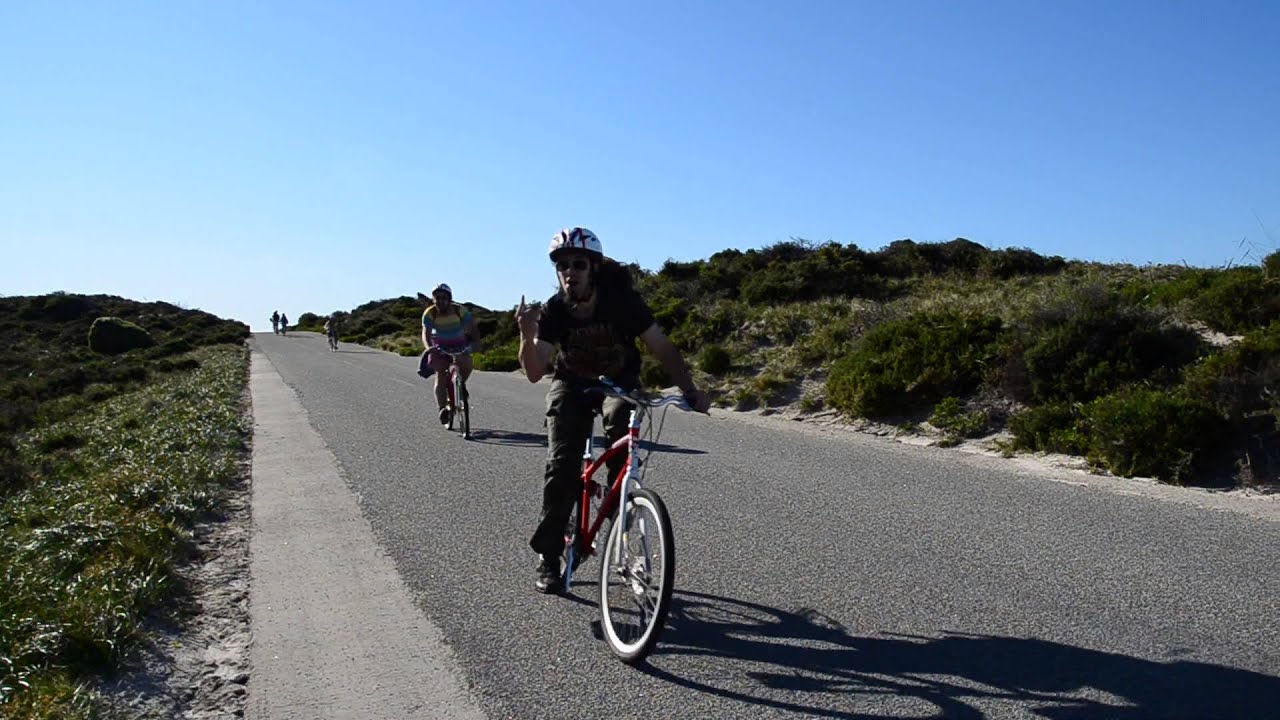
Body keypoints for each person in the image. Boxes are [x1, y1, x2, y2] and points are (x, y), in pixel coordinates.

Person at [515, 227, 711, 594]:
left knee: (623, 429)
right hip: (570, 386)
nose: (569, 272)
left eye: (577, 264)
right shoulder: (555, 310)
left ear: (593, 268)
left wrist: (690, 391)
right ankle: (549, 556)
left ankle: (623, 515)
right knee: (562, 467)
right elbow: (534, 372)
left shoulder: (622, 301)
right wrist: (527, 335)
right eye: (562, 266)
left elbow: (662, 347)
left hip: (619, 385)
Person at [419, 283, 481, 425]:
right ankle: (442, 410)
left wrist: (476, 343)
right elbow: (425, 333)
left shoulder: (460, 310)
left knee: (467, 364)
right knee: (441, 375)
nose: (440, 301)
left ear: (449, 299)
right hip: (439, 347)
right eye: (437, 298)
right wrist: (429, 348)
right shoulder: (430, 313)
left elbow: (472, 328)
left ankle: (460, 385)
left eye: (443, 298)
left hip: (459, 345)